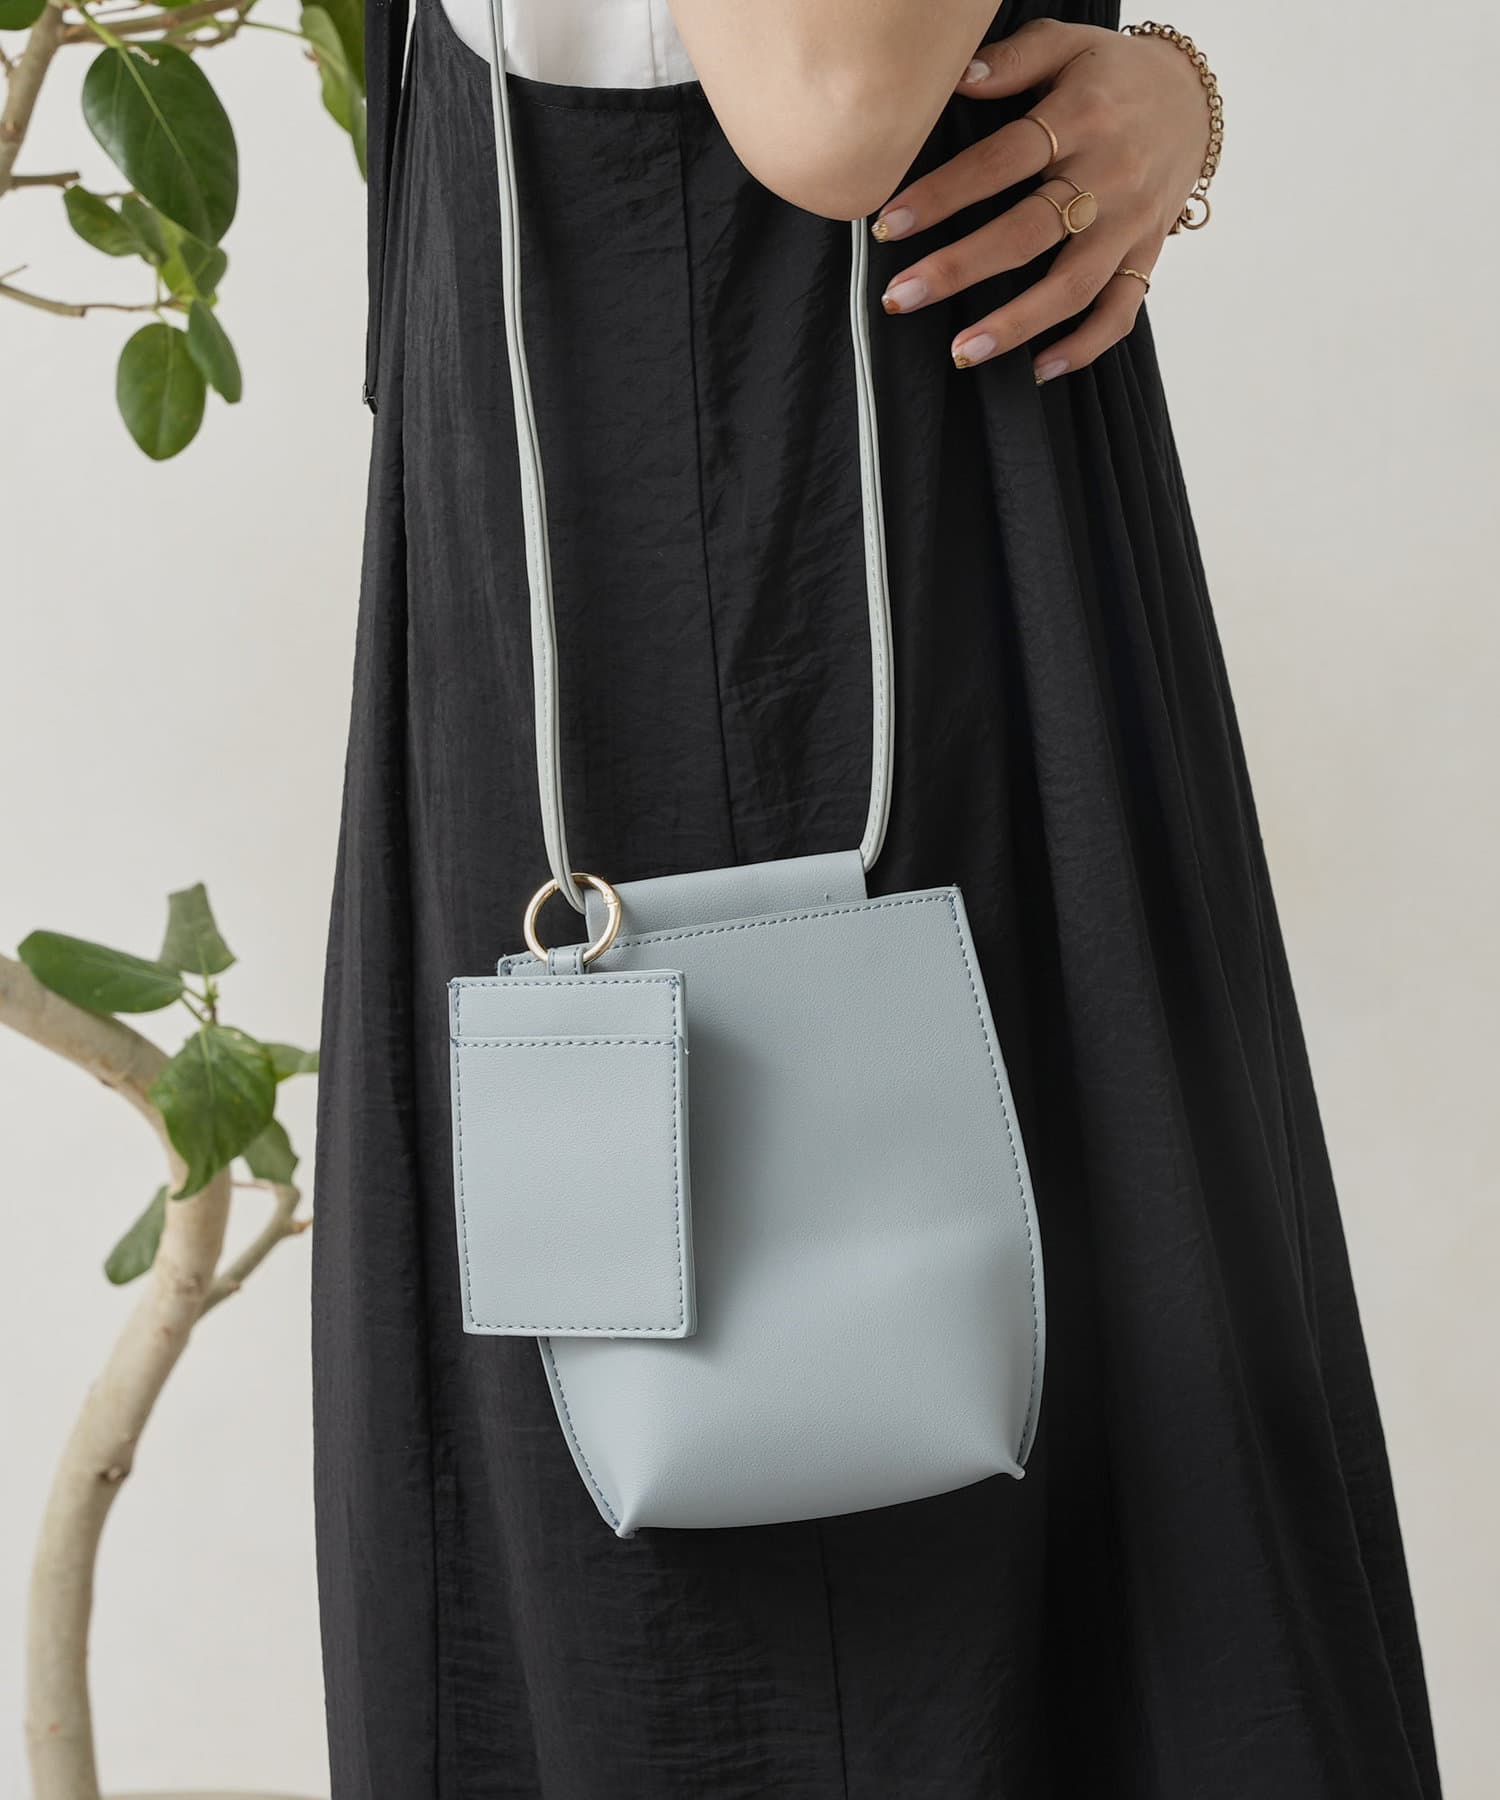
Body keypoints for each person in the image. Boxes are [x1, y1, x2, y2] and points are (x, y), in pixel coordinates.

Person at [312, 1, 1443, 1793]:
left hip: (815, 587)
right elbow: (831, 105)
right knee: (917, 1625)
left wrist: (1167, 91)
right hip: (790, 647)